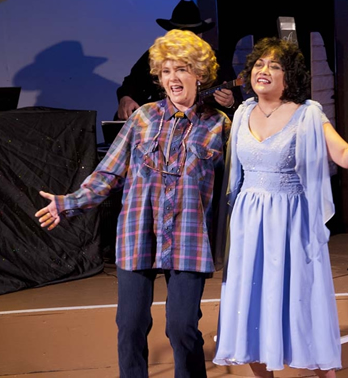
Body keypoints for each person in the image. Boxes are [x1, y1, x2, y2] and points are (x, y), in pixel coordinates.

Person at [35, 29, 230, 378]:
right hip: (137, 234)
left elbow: (237, 184)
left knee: (182, 328)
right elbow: (108, 173)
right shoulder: (143, 119)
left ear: (199, 74)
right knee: (130, 326)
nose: (173, 78)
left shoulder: (218, 125)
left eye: (182, 69)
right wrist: (67, 203)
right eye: (166, 71)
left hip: (188, 240)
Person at [213, 37, 348, 378]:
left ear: (290, 76)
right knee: (252, 303)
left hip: (290, 221)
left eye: (274, 65)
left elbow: (343, 155)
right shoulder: (241, 114)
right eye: (258, 64)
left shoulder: (307, 114)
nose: (263, 70)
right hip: (249, 221)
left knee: (300, 300)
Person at [116, 0, 240, 121]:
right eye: (166, 71)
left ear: (199, 35)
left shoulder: (216, 60)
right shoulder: (158, 54)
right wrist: (126, 98)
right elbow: (132, 81)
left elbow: (237, 101)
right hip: (158, 121)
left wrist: (230, 103)